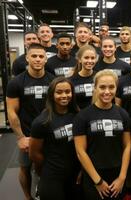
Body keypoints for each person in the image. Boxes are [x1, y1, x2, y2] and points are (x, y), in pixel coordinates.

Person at [73, 70, 131, 199]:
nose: (107, 91)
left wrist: (122, 177)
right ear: (95, 88)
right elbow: (80, 152)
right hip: (93, 176)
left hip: (117, 175)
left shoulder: (123, 114)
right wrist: (98, 181)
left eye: (111, 87)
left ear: (116, 88)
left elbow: (127, 146)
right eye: (102, 87)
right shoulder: (83, 116)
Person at [6, 43, 54, 200]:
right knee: (25, 168)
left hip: (49, 133)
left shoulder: (52, 81)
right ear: (27, 58)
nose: (38, 59)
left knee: (46, 167)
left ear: (46, 59)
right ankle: (28, 197)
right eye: (34, 56)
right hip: (27, 134)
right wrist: (20, 137)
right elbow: (12, 112)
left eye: (41, 56)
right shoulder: (16, 82)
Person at [29, 77, 80, 200]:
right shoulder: (41, 122)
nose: (64, 95)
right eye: (59, 92)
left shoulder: (78, 115)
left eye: (68, 92)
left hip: (75, 174)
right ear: (51, 94)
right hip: (52, 176)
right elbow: (34, 154)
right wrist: (48, 170)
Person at [69, 45, 98, 109]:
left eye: (92, 58)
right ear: (79, 59)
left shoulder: (99, 78)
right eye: (86, 58)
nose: (90, 61)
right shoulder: (71, 80)